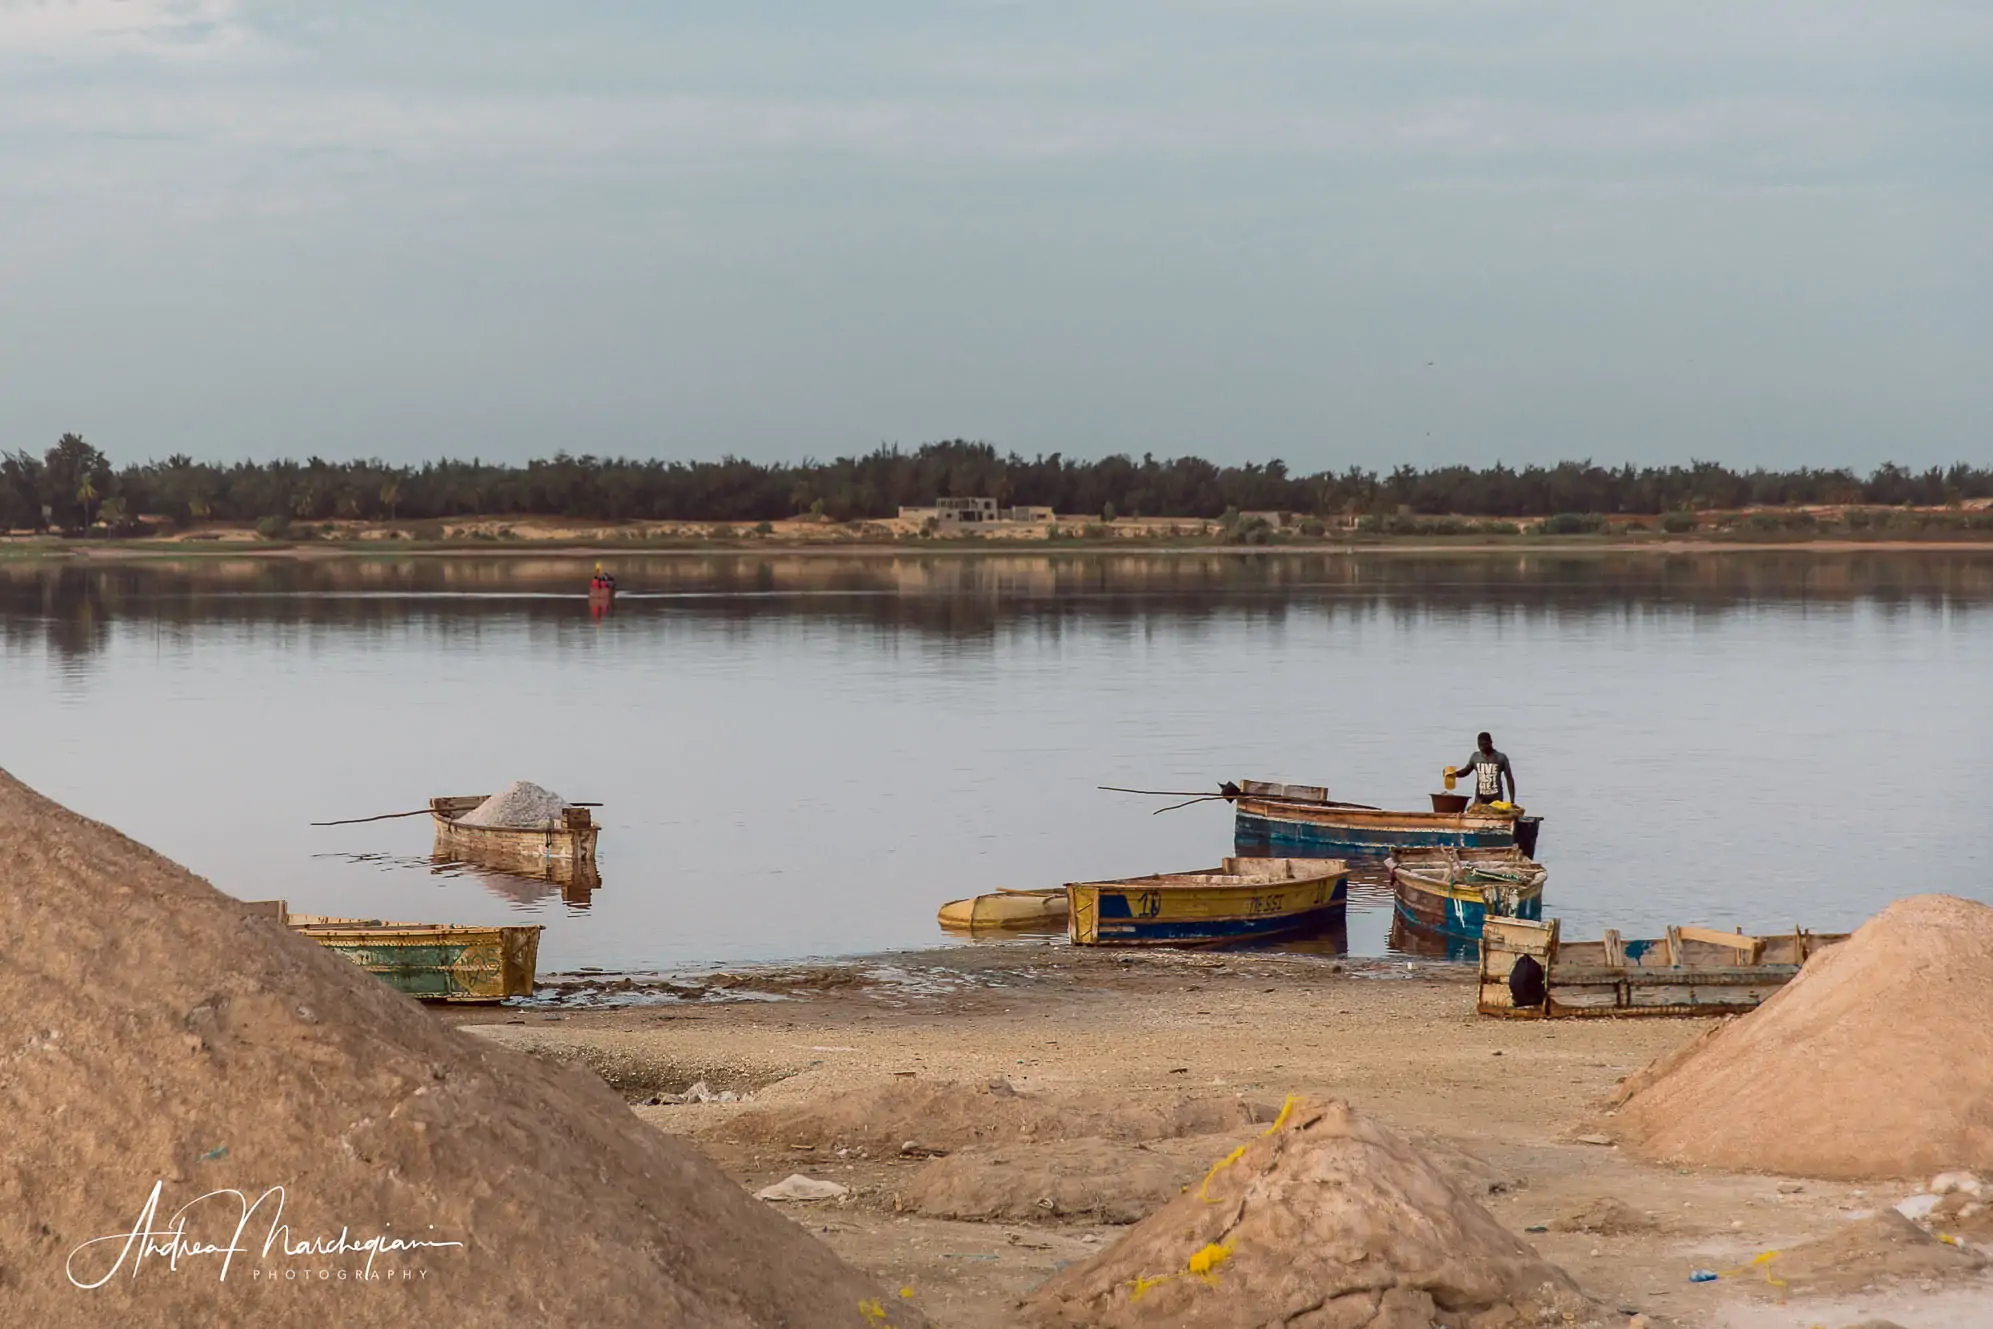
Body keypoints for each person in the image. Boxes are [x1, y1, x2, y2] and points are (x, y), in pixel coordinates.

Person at [1452, 732, 1515, 806]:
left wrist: (1512, 800)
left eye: (1484, 745)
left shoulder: (1501, 758)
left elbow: (1509, 779)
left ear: (1490, 743)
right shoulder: (1475, 757)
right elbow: (1466, 771)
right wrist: (1454, 774)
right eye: (1480, 745)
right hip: (1480, 799)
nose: (1482, 747)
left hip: (1496, 799)